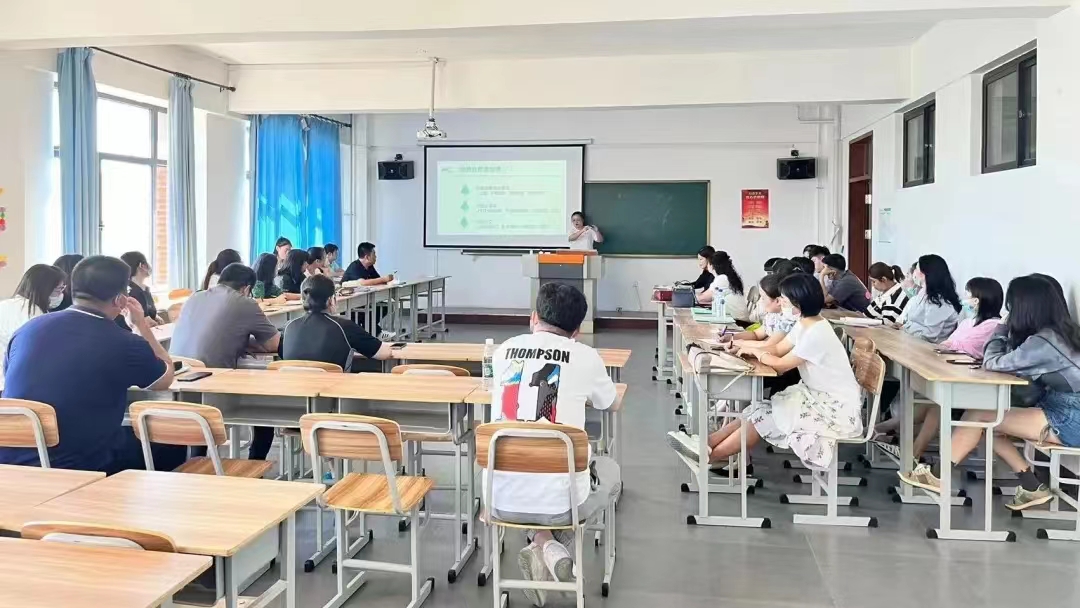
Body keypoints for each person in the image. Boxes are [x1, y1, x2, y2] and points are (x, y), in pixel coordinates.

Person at [485, 283, 617, 605]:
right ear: (577, 331)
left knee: (531, 477)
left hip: (498, 497)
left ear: (534, 317)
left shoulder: (503, 351)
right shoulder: (585, 356)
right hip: (563, 504)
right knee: (609, 470)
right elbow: (609, 402)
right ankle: (551, 545)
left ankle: (542, 543)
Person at [900, 275, 1080, 511]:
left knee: (980, 416)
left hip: (1071, 417)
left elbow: (993, 363)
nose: (1009, 311)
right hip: (1062, 408)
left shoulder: (1045, 343)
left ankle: (939, 475)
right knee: (987, 420)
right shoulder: (1060, 334)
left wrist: (1001, 328)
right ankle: (1031, 486)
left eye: (1012, 306)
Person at [0, 256, 184, 473]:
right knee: (178, 442)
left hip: (11, 462)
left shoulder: (26, 331)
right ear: (120, 300)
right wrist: (140, 326)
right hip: (81, 464)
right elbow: (165, 379)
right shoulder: (124, 343)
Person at [669, 273, 862, 470]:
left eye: (784, 299)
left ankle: (707, 457)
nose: (782, 303)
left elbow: (780, 364)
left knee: (763, 419)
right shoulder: (806, 323)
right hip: (817, 397)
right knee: (755, 410)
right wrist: (744, 347)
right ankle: (705, 444)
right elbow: (777, 348)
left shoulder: (816, 333)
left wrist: (756, 353)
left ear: (798, 303)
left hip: (835, 408)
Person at [170, 263, 280, 460]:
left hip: (177, 384)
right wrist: (246, 340)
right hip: (213, 386)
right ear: (246, 288)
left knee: (201, 418)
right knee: (265, 409)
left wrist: (239, 337)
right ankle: (255, 464)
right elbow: (273, 344)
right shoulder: (244, 303)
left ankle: (198, 460)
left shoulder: (195, 296)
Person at [903, 277, 1005, 461]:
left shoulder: (994, 326)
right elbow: (950, 342)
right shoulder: (968, 322)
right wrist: (950, 345)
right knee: (926, 404)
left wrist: (950, 345)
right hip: (957, 374)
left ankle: (913, 454)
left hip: (977, 383)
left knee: (938, 407)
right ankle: (884, 432)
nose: (965, 300)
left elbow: (969, 346)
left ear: (979, 300)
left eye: (969, 296)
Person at [281, 275, 392, 371]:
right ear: (331, 300)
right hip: (333, 387)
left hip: (293, 388)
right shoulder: (344, 326)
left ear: (303, 300)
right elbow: (384, 353)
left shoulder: (288, 327)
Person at [726, 272, 800, 396]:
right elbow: (757, 334)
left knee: (738, 381)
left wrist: (738, 343)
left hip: (785, 372)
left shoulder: (788, 320)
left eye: (763, 298)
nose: (760, 301)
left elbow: (770, 346)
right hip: (769, 361)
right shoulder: (772, 314)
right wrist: (732, 337)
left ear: (778, 301)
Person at [0, 264, 66, 378]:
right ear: (45, 289)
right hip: (16, 378)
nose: (61, 295)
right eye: (59, 289)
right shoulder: (34, 314)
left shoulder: (5, 305)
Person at [897, 254, 961, 343]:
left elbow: (928, 335)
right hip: (913, 342)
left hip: (928, 348)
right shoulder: (921, 295)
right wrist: (904, 327)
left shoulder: (941, 302)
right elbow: (909, 321)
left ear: (925, 273)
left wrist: (905, 328)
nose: (914, 272)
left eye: (917, 269)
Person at [696, 251, 749, 322]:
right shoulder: (727, 276)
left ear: (712, 266)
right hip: (736, 318)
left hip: (737, 321)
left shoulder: (722, 279)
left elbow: (703, 298)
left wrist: (689, 297)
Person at [120, 251, 161, 326]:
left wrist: (155, 317)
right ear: (142, 266)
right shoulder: (132, 292)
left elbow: (149, 312)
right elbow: (145, 323)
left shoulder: (144, 289)